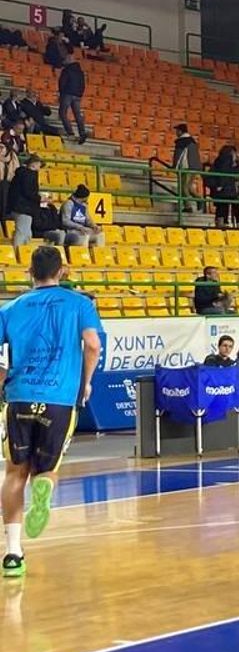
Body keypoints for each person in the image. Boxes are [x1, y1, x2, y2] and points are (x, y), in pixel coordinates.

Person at [0, 246, 102, 577]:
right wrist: (84, 382)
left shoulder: (10, 308)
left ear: (29, 271)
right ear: (63, 271)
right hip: (59, 398)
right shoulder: (80, 303)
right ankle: (45, 485)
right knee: (46, 468)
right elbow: (92, 344)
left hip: (19, 396)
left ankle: (13, 555)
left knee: (15, 473)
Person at [7, 155, 41, 248]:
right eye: (39, 166)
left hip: (16, 207)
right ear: (34, 165)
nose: (39, 169)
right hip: (24, 208)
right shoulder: (30, 175)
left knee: (26, 233)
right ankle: (18, 254)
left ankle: (22, 254)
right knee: (22, 233)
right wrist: (40, 198)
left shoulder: (19, 174)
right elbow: (29, 192)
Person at [208, 146, 239, 228]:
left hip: (224, 187)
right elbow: (225, 173)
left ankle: (223, 222)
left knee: (223, 205)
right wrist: (221, 184)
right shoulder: (226, 160)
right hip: (225, 187)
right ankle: (224, 222)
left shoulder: (221, 160)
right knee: (224, 204)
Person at [56, 53, 88, 144]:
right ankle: (82, 132)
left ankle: (70, 132)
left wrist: (61, 94)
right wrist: (80, 94)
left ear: (69, 60)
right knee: (77, 114)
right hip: (77, 95)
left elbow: (62, 83)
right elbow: (83, 84)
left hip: (67, 93)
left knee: (62, 113)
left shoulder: (66, 70)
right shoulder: (80, 71)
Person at [61, 184, 103, 251]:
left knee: (100, 235)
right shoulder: (68, 204)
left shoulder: (84, 205)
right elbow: (65, 221)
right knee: (84, 236)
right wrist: (79, 227)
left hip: (83, 230)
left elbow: (88, 219)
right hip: (70, 231)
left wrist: (94, 226)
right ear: (84, 197)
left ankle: (98, 255)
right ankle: (83, 254)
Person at [173, 124, 203, 214]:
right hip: (194, 167)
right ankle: (199, 199)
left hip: (186, 167)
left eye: (177, 130)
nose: (176, 132)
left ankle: (188, 206)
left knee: (183, 188)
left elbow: (178, 155)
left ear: (180, 131)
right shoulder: (192, 141)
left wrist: (175, 166)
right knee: (189, 187)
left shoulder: (182, 141)